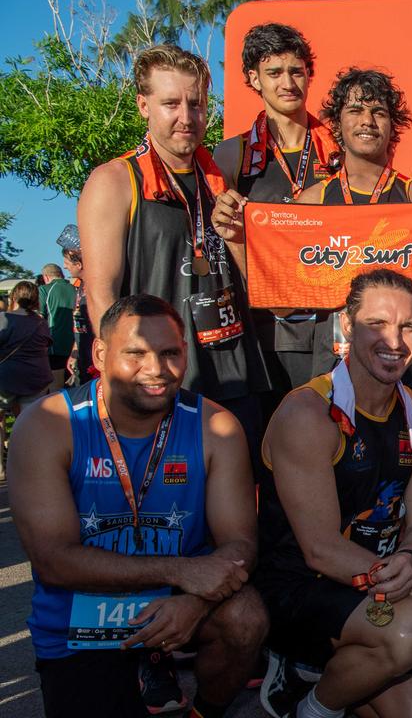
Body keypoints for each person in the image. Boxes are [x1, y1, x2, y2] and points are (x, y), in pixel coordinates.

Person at [8, 293, 266, 718]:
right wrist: (180, 571)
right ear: (100, 353)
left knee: (246, 617)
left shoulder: (215, 425)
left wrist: (196, 601)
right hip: (81, 622)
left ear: (186, 352)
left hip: (181, 603)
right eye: (136, 354)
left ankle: (203, 711)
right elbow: (54, 560)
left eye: (169, 353)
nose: (156, 370)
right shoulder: (48, 425)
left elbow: (240, 543)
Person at [255, 269, 412, 718]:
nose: (394, 341)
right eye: (378, 323)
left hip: (379, 591)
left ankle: (320, 684)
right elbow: (320, 552)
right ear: (347, 326)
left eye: (409, 326)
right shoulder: (308, 413)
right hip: (302, 588)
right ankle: (311, 703)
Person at [287, 66, 412, 481]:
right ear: (337, 122)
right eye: (355, 110)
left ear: (393, 126)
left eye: (379, 112)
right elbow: (289, 297)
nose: (367, 121)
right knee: (333, 474)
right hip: (335, 355)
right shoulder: (311, 202)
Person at [77, 44, 270, 477]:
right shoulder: (114, 181)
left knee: (238, 515)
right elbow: (101, 294)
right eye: (171, 103)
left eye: (197, 104)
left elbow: (256, 280)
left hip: (234, 371)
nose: (186, 116)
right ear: (144, 106)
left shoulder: (222, 179)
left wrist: (237, 236)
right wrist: (123, 379)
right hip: (160, 378)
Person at [210, 23, 341, 407]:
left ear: (309, 74)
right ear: (254, 78)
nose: (288, 83)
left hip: (327, 326)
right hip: (262, 331)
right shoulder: (231, 155)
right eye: (274, 73)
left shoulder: (336, 153)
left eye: (296, 71)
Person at [0, 281, 53, 409]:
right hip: (36, 377)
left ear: (14, 297)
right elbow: (46, 346)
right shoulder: (41, 323)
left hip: (7, 378)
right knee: (30, 417)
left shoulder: (4, 318)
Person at [56, 225, 95, 386]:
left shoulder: (97, 287)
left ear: (79, 264)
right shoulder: (80, 287)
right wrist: (75, 350)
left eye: (66, 262)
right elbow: (78, 322)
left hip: (95, 355)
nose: (65, 267)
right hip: (83, 354)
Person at [39, 263, 76, 390]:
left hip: (55, 344)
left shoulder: (44, 289)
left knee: (56, 388)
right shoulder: (75, 289)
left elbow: (40, 317)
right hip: (76, 343)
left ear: (46, 277)